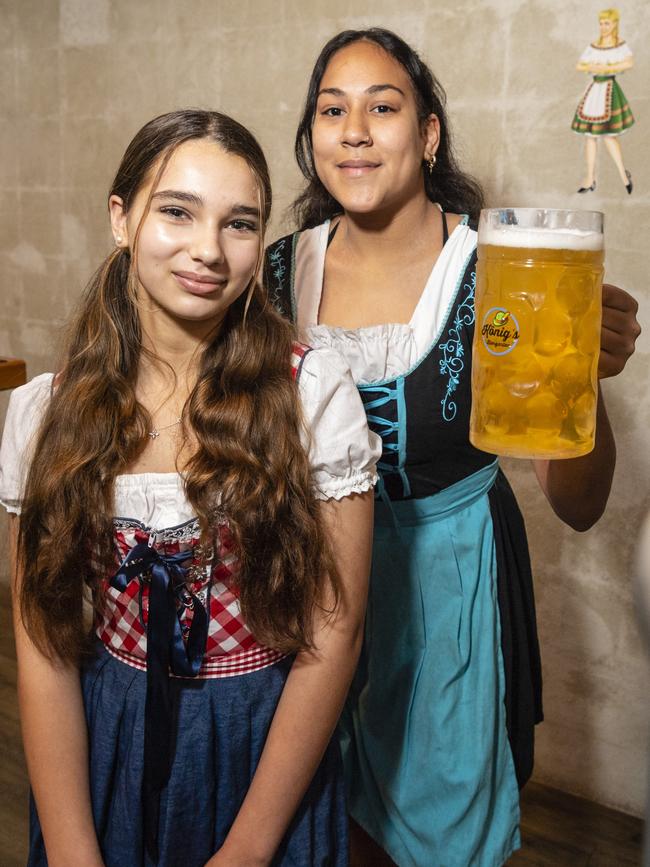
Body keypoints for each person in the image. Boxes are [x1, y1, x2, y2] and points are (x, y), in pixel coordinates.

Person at [264, 28, 641, 867]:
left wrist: (577, 372)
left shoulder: (500, 267)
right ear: (313, 136)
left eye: (383, 106)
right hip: (312, 585)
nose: (354, 129)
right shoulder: (279, 271)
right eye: (333, 109)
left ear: (428, 133)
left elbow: (579, 508)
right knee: (321, 826)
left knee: (442, 838)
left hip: (451, 593)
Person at [0, 109, 381, 867]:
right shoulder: (45, 411)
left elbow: (334, 632)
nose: (208, 249)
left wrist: (245, 851)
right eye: (177, 210)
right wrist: (74, 849)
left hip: (261, 745)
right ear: (122, 217)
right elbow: (42, 642)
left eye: (240, 224)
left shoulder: (312, 395)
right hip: (106, 736)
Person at [572, 8, 635, 194]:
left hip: (609, 90)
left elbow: (628, 63)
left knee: (609, 136)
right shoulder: (594, 46)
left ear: (614, 24)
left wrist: (606, 67)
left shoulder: (620, 45)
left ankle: (623, 175)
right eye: (601, 23)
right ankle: (590, 178)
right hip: (595, 91)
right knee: (590, 137)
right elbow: (580, 64)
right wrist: (594, 66)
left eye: (606, 23)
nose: (603, 27)